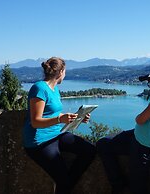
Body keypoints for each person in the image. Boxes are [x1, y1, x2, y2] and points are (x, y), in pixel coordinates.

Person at [96, 57, 150, 194]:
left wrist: (139, 115)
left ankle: (118, 186)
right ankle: (119, 187)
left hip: (143, 144)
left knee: (137, 186)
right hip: (145, 139)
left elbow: (140, 120)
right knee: (104, 144)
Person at [22, 57, 96, 194]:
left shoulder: (55, 89)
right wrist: (60, 119)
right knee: (64, 182)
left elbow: (53, 114)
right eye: (65, 71)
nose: (65, 74)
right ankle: (64, 183)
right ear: (61, 71)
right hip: (39, 142)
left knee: (90, 150)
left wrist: (77, 117)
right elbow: (36, 121)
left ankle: (65, 183)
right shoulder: (39, 88)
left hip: (57, 133)